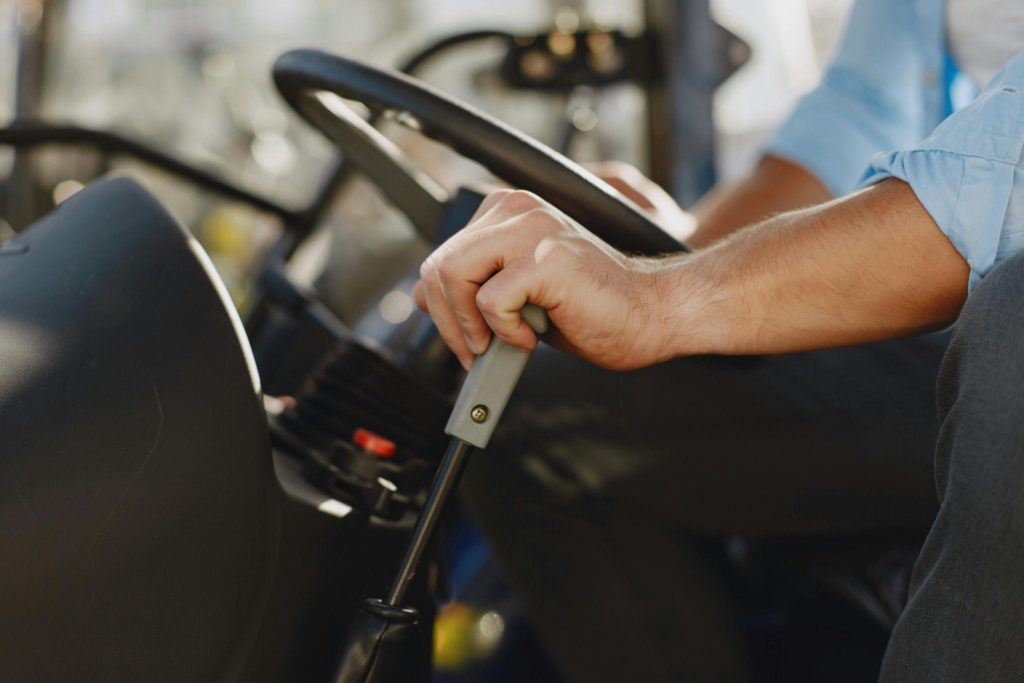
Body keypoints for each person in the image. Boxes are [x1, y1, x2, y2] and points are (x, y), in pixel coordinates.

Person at [415, 0, 1024, 680]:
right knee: (533, 404)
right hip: (947, 333)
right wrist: (673, 249)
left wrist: (664, 296)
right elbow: (860, 109)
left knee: (1011, 323)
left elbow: (1005, 173)